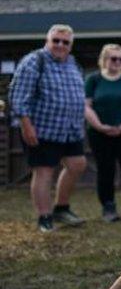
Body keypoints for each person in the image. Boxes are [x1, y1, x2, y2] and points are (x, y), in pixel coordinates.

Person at [10, 24, 87, 232]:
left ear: (70, 45)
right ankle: (44, 217)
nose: (60, 45)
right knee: (44, 172)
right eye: (56, 41)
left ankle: (61, 208)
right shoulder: (34, 61)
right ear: (47, 41)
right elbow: (18, 97)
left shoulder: (72, 63)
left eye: (65, 42)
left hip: (70, 130)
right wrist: (26, 126)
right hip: (42, 129)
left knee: (77, 164)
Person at [84, 44, 121, 222]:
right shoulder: (93, 79)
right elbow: (86, 106)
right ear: (104, 59)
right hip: (100, 134)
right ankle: (108, 207)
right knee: (105, 169)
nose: (117, 62)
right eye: (113, 58)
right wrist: (100, 126)